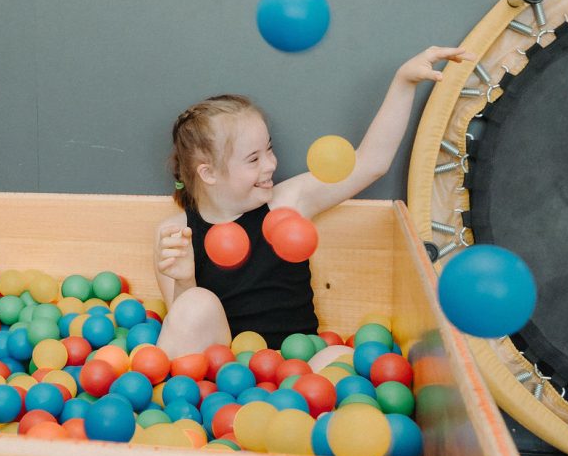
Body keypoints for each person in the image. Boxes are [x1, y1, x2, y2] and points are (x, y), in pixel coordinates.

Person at [153, 46, 474, 358]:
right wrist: (184, 280)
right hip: (227, 373)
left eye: (269, 149)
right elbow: (186, 327)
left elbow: (370, 163)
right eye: (253, 159)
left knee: (340, 358)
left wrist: (404, 82)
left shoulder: (286, 203)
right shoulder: (177, 236)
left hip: (300, 365)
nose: (271, 164)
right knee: (195, 302)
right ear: (208, 173)